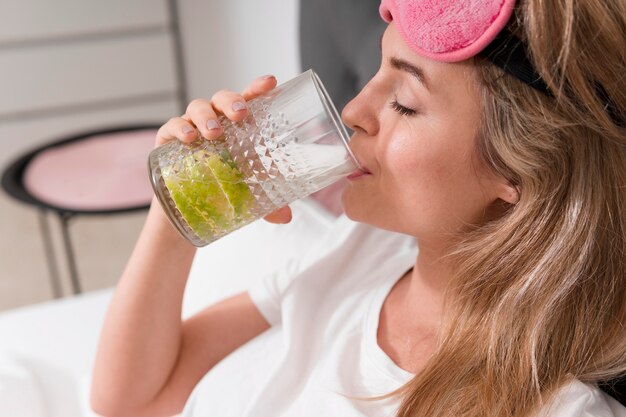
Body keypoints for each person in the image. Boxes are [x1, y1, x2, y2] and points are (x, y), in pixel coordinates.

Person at [90, 0, 626, 416]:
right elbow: (133, 398)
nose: (353, 110)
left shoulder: (553, 405)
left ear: (518, 171)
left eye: (405, 103)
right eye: (377, 71)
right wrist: (176, 208)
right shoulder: (363, 253)